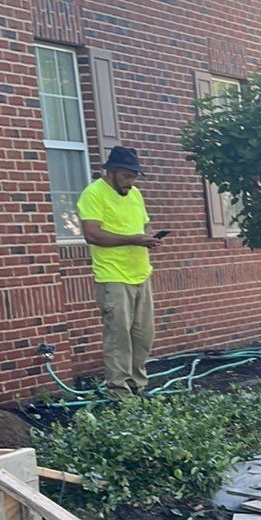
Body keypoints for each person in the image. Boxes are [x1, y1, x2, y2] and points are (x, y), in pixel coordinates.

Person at [77, 146, 166, 397]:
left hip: (141, 273)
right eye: (126, 176)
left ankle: (138, 387)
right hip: (113, 276)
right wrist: (134, 240)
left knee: (143, 336)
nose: (131, 181)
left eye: (135, 176)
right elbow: (92, 234)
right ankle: (119, 393)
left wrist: (148, 240)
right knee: (119, 338)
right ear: (112, 171)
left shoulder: (135, 194)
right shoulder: (93, 194)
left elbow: (141, 227)